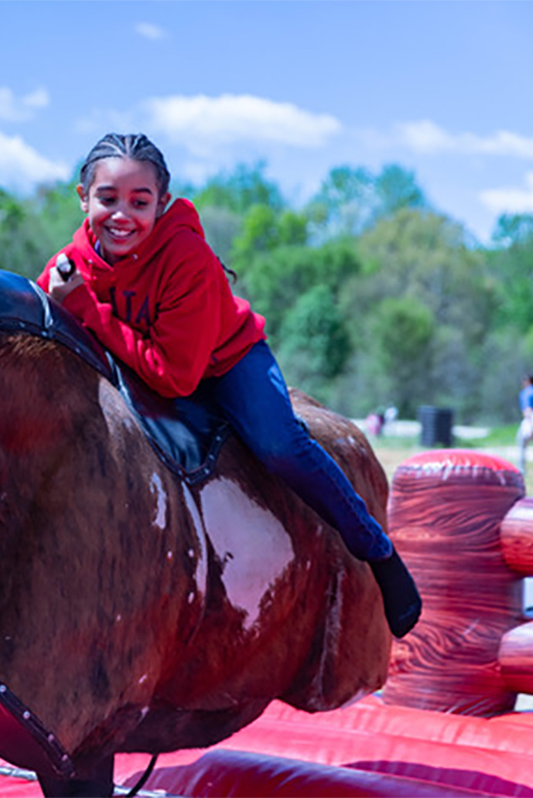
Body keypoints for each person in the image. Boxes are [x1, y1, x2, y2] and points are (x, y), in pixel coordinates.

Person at [39, 133, 420, 638]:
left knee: (281, 446)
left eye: (140, 202)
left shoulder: (184, 256)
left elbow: (177, 375)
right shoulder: (69, 267)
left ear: (162, 204)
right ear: (84, 198)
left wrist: (86, 309)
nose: (121, 215)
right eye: (107, 199)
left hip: (225, 362)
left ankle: (378, 551)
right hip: (146, 365)